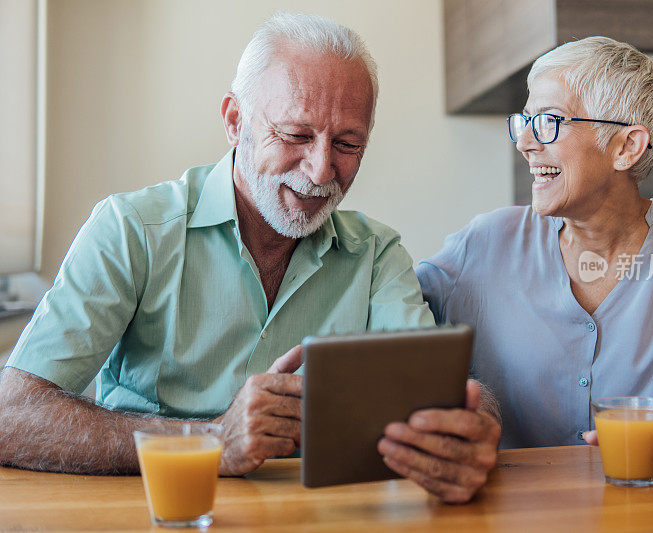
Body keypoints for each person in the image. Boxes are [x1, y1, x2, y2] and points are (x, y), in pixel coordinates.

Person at [0, 13, 499, 504]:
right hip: (156, 513)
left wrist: (473, 426)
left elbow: (441, 396)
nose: (322, 169)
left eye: (348, 143)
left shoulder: (376, 254)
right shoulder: (132, 230)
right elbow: (12, 415)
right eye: (296, 135)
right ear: (235, 121)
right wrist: (212, 441)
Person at [416, 36, 653, 478]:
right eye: (524, 121)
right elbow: (387, 318)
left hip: (649, 510)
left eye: (548, 120)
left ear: (626, 147)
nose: (525, 141)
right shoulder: (486, 241)